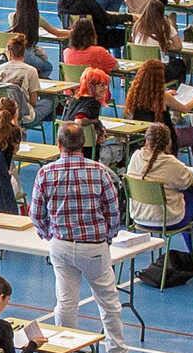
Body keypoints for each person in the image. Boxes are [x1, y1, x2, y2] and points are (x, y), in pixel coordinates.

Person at [26, 122, 124, 330]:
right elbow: (113, 211)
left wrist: (49, 235)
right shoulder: (99, 171)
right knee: (108, 302)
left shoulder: (46, 172)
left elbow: (35, 214)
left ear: (59, 143)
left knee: (66, 301)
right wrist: (108, 237)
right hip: (94, 246)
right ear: (84, 143)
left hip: (60, 243)